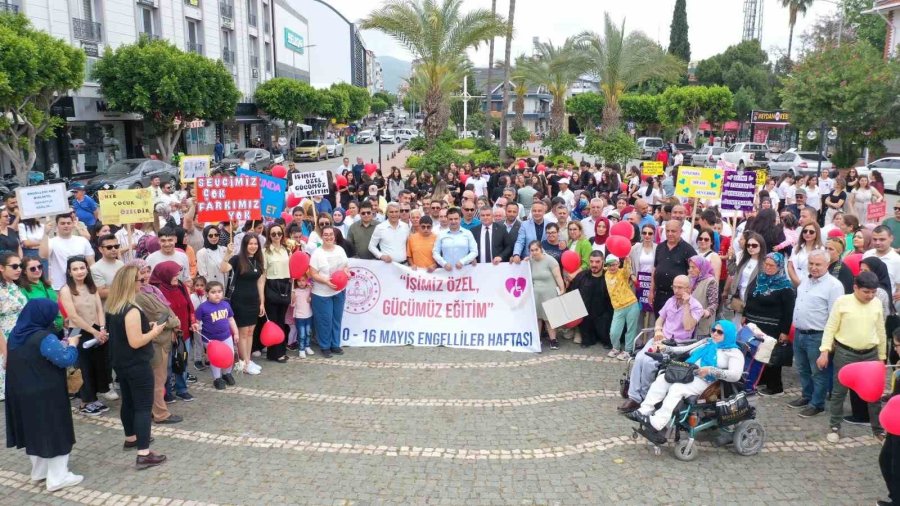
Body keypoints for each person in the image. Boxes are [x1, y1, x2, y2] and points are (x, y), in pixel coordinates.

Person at [4, 299, 83, 491]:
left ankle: (39, 472)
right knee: (55, 430)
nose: (54, 319)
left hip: (22, 392)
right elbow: (65, 359)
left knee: (33, 431)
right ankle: (58, 477)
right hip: (46, 393)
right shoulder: (43, 338)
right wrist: (73, 344)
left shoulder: (16, 334)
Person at [630, 320, 744, 436]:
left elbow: (735, 375)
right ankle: (643, 411)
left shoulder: (734, 353)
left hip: (708, 383)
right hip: (688, 372)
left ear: (728, 334)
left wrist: (711, 370)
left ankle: (657, 423)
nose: (715, 333)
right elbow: (684, 349)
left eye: (720, 332)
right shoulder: (707, 341)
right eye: (714, 330)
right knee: (662, 379)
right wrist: (665, 348)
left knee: (677, 388)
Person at [105, 265, 167, 469]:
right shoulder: (131, 309)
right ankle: (144, 453)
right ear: (130, 283)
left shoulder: (114, 307)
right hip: (136, 364)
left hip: (121, 363)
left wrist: (146, 328)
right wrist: (154, 332)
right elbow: (136, 341)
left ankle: (131, 437)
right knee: (142, 407)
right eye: (140, 280)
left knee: (129, 402)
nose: (143, 282)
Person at [818, 271, 886, 443]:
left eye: (873, 292)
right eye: (866, 292)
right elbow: (830, 327)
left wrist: (882, 356)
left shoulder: (877, 303)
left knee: (874, 394)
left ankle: (878, 430)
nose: (870, 296)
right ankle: (835, 427)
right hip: (845, 353)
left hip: (871, 354)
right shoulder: (842, 302)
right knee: (839, 392)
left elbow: (881, 330)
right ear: (855, 287)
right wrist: (824, 351)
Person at [618, 275, 703, 413]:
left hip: (677, 344)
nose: (676, 290)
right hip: (661, 338)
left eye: (680, 287)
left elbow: (688, 326)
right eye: (674, 287)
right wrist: (658, 330)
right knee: (639, 358)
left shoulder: (696, 306)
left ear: (689, 289)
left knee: (649, 362)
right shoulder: (671, 300)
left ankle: (644, 397)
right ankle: (634, 397)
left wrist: (687, 305)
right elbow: (660, 319)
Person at [789, 249, 845, 418]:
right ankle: (807, 396)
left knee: (818, 372)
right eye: (811, 263)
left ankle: (817, 403)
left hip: (818, 335)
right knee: (802, 368)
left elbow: (835, 316)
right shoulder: (806, 280)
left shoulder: (834, 286)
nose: (813, 267)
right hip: (799, 333)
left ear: (827, 265)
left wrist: (829, 343)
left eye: (818, 264)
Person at [59, 256, 112, 415]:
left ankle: (93, 398)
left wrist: (102, 328)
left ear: (87, 269)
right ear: (69, 272)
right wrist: (95, 332)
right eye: (75, 269)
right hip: (77, 330)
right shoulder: (66, 290)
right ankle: (85, 401)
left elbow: (99, 309)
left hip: (96, 328)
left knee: (98, 364)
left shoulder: (91, 286)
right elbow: (73, 316)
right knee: (83, 367)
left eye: (82, 268)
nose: (79, 271)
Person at [743, 252, 796, 396]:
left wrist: (785, 331)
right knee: (756, 353)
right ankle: (761, 379)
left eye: (772, 265)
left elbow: (789, 311)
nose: (768, 267)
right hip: (754, 324)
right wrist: (745, 315)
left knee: (771, 356)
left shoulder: (785, 286)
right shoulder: (760, 279)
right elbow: (750, 298)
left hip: (772, 327)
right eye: (766, 264)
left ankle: (775, 387)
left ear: (779, 266)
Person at [149, 261, 195, 403]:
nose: (177, 276)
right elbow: (159, 314)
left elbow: (189, 305)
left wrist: (193, 321)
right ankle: (167, 391)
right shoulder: (157, 290)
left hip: (183, 332)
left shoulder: (180, 285)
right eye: (174, 274)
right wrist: (173, 329)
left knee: (182, 360)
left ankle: (182, 389)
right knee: (167, 366)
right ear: (165, 274)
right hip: (167, 334)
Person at [219, 234, 264, 376]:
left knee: (251, 332)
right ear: (244, 245)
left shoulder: (258, 260)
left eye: (255, 244)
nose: (253, 246)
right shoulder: (237, 259)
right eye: (250, 243)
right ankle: (243, 363)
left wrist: (262, 302)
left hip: (253, 301)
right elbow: (223, 269)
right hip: (240, 301)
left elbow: (260, 282)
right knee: (243, 333)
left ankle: (248, 360)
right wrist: (227, 253)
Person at [308, 226, 350, 358]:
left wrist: (346, 273)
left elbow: (345, 266)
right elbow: (313, 273)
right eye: (325, 235)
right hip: (322, 293)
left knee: (336, 318)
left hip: (339, 291)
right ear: (322, 237)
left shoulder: (340, 250)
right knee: (325, 320)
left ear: (334, 236)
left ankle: (335, 344)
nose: (329, 237)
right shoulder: (317, 253)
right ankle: (325, 346)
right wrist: (325, 281)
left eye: (331, 234)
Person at [194, 281, 239, 389]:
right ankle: (217, 378)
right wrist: (195, 325)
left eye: (219, 291)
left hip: (226, 336)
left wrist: (236, 333)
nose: (217, 294)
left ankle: (226, 374)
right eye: (213, 292)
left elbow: (231, 319)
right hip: (211, 339)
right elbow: (197, 321)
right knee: (216, 359)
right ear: (207, 294)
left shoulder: (226, 304)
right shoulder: (203, 307)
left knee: (229, 355)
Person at [650, 220, 696, 313]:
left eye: (673, 231)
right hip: (659, 295)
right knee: (658, 320)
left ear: (680, 232)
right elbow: (655, 269)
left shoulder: (688, 249)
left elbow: (694, 273)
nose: (670, 234)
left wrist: (687, 293)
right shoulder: (660, 247)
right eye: (667, 231)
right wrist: (651, 291)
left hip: (677, 296)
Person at [569, 251, 613, 348]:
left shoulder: (609, 277)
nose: (594, 264)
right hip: (586, 315)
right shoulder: (581, 276)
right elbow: (573, 294)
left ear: (603, 262)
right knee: (587, 340)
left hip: (603, 315)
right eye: (591, 261)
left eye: (597, 262)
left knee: (606, 337)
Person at [527, 240, 566, 350]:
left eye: (536, 249)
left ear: (541, 249)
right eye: (532, 250)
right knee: (537, 318)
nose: (534, 252)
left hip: (549, 292)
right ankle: (537, 339)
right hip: (536, 293)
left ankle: (553, 340)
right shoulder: (530, 261)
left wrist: (562, 289)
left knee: (549, 318)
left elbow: (558, 276)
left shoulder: (550, 260)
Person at [40, 214, 95, 290]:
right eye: (62, 223)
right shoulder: (51, 242)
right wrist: (45, 234)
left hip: (82, 285)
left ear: (73, 224)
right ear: (57, 225)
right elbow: (43, 255)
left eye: (68, 223)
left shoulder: (83, 241)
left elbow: (91, 263)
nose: (66, 226)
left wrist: (93, 281)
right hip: (59, 286)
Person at [262, 223, 291, 363]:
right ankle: (274, 353)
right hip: (271, 285)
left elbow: (292, 271)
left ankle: (281, 350)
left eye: (279, 233)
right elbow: (263, 274)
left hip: (285, 285)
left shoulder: (287, 249)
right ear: (269, 235)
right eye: (273, 234)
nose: (277, 236)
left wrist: (293, 290)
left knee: (281, 320)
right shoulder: (265, 251)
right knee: (273, 321)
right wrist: (262, 295)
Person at [724, 231, 766, 325]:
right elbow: (733, 272)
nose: (751, 247)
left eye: (754, 245)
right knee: (737, 327)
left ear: (761, 246)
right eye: (748, 245)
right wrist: (731, 258)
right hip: (739, 300)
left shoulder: (764, 264)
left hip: (753, 303)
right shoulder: (745, 259)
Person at [605, 255, 640, 359]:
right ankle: (616, 348)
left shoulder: (622, 273)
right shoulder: (606, 274)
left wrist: (627, 260)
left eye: (614, 264)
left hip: (632, 304)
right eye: (609, 265)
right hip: (618, 308)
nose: (612, 267)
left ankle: (628, 351)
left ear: (618, 264)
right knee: (614, 332)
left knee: (631, 330)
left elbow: (627, 271)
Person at [687, 255, 719, 337]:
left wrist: (706, 312)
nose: (690, 270)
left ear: (702, 267)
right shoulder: (690, 278)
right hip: (687, 322)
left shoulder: (710, 282)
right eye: (690, 267)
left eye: (693, 267)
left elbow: (714, 304)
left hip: (701, 325)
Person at [864, 226, 900, 293]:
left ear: (891, 238)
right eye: (875, 239)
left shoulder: (897, 260)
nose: (877, 242)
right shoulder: (867, 254)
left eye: (882, 239)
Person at [787, 221, 825, 286]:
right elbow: (790, 266)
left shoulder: (821, 250)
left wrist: (803, 285)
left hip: (811, 284)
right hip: (793, 282)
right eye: (805, 231)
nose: (807, 233)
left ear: (817, 234)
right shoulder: (796, 247)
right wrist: (797, 282)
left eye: (811, 232)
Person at [90, 234, 124, 301]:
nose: (114, 249)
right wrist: (125, 289)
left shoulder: (121, 263)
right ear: (100, 249)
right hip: (109, 305)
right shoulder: (95, 268)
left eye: (116, 246)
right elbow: (101, 293)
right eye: (109, 247)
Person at [292, 275, 314, 358]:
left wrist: (310, 290)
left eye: (303, 280)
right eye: (299, 281)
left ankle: (307, 346)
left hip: (308, 315)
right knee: (302, 334)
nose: (301, 283)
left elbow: (309, 300)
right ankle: (301, 349)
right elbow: (292, 304)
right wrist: (292, 295)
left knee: (308, 333)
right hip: (299, 316)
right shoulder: (295, 291)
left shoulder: (308, 289)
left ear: (306, 281)